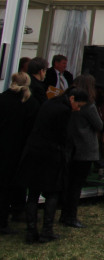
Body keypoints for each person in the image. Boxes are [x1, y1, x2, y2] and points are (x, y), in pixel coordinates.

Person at [16, 87, 88, 244]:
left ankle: (31, 230)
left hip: (33, 151)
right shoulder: (63, 111)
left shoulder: (49, 103)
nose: (78, 109)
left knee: (33, 193)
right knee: (52, 193)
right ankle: (46, 230)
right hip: (50, 155)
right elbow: (62, 136)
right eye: (79, 105)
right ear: (72, 99)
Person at [0, 73, 39, 235]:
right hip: (19, 150)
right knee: (13, 186)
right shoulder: (31, 103)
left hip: (3, 147)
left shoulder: (2, 99)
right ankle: (15, 213)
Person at [61, 77, 103, 228]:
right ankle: (71, 216)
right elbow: (98, 125)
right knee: (76, 184)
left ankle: (64, 214)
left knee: (69, 182)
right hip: (84, 147)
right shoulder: (88, 105)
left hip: (69, 145)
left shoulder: (65, 101)